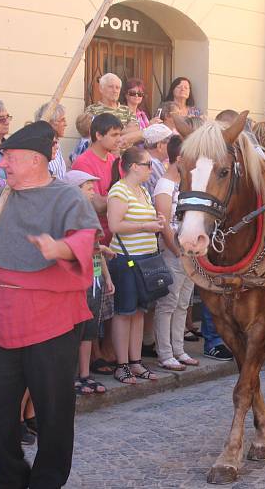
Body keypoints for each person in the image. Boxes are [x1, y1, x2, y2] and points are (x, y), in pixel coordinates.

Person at [0, 120, 101, 487]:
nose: (4, 163)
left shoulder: (68, 197)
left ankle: (47, 480)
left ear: (35, 160)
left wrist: (56, 248)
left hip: (52, 320)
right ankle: (12, 472)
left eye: (11, 158)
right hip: (3, 319)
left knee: (53, 412)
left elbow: (85, 241)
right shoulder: (2, 195)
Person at [106, 146, 164, 384]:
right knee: (124, 312)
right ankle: (122, 365)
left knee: (140, 311)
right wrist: (145, 227)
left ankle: (135, 361)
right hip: (126, 259)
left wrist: (155, 221)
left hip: (146, 257)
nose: (152, 169)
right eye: (148, 164)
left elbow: (141, 220)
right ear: (133, 167)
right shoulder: (119, 190)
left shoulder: (142, 191)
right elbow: (114, 225)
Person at [65, 170, 113, 396]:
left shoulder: (90, 212)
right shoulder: (67, 214)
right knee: (75, 330)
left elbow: (97, 247)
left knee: (89, 330)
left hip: (94, 278)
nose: (94, 191)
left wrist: (107, 276)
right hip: (77, 279)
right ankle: (71, 375)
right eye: (88, 187)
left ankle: (85, 374)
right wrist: (99, 248)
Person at [152, 136, 197, 370]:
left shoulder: (185, 182)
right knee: (168, 302)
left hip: (189, 250)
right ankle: (166, 352)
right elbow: (164, 224)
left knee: (183, 302)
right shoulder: (164, 185)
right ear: (179, 158)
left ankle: (178, 349)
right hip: (174, 251)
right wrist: (176, 250)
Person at [71, 113, 124, 245]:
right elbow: (97, 205)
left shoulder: (113, 159)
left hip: (116, 237)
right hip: (97, 239)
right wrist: (122, 198)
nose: (119, 139)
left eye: (119, 134)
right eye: (114, 135)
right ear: (98, 135)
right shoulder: (82, 163)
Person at [84, 73, 142, 148]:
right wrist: (125, 130)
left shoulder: (127, 110)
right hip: (104, 157)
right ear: (101, 89)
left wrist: (111, 133)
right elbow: (92, 134)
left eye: (117, 88)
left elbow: (135, 130)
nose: (115, 91)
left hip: (127, 157)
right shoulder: (92, 110)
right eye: (111, 87)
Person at [34, 102, 68, 180]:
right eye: (62, 120)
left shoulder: (56, 146)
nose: (66, 124)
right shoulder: (40, 148)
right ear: (51, 122)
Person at [142, 123, 173, 198]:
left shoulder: (149, 160)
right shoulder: (154, 163)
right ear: (160, 146)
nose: (173, 146)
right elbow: (172, 189)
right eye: (171, 143)